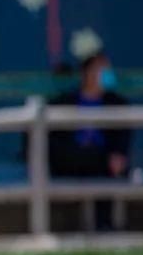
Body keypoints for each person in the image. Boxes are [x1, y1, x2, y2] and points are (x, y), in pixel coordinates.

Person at [48, 52, 130, 231]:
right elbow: (54, 141)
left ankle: (104, 226)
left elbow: (123, 138)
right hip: (72, 160)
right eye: (102, 69)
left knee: (108, 165)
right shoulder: (64, 102)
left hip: (103, 161)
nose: (107, 74)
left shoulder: (116, 103)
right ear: (88, 73)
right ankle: (69, 228)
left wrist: (120, 155)